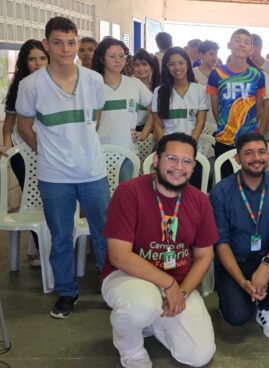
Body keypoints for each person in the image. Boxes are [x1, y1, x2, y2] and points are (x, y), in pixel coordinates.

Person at [15, 16, 110, 319]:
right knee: (60, 236)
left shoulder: (94, 80)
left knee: (105, 233)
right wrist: (47, 152)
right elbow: (24, 126)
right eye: (57, 42)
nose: (65, 49)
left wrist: (81, 145)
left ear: (78, 44)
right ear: (47, 44)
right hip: (54, 176)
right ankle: (67, 292)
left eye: (71, 42)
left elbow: (95, 118)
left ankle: (111, 288)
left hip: (92, 171)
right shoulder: (31, 85)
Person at [102, 133, 217, 367]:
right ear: (156, 159)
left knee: (198, 356)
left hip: (178, 282)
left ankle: (151, 320)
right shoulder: (129, 192)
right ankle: (131, 350)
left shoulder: (200, 201)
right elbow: (118, 255)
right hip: (128, 276)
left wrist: (182, 292)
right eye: (172, 159)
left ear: (194, 166)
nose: (178, 167)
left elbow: (205, 256)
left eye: (187, 161)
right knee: (141, 305)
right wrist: (168, 284)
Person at [210, 133, 269, 339]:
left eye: (261, 152)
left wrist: (266, 265)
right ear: (238, 159)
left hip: (268, 258)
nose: (256, 158)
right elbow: (221, 243)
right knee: (237, 317)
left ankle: (266, 308)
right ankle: (243, 295)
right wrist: (243, 282)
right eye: (248, 153)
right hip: (235, 262)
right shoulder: (221, 191)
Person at [1, 39, 49, 267]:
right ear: (24, 62)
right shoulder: (20, 86)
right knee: (32, 198)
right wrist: (5, 145)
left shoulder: (55, 83)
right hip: (25, 151)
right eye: (32, 59)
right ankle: (41, 249)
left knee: (52, 199)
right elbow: (9, 122)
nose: (38, 63)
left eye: (42, 58)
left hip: (51, 150)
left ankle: (55, 247)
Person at [207, 29, 266, 178]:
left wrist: (250, 126)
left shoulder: (257, 75)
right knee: (225, 183)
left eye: (247, 42)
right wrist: (226, 126)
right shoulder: (216, 74)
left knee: (250, 182)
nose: (242, 45)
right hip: (224, 139)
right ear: (229, 45)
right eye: (238, 40)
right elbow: (215, 108)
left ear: (251, 49)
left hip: (249, 139)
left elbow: (259, 108)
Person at [93, 38, 153, 182]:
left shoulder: (134, 83)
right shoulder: (94, 84)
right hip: (98, 151)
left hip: (128, 151)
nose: (118, 60)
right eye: (112, 56)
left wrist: (144, 132)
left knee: (125, 197)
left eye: (121, 56)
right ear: (102, 59)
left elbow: (154, 109)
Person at [152, 47, 208, 143]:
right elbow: (157, 125)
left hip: (191, 147)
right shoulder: (159, 91)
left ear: (187, 64)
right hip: (168, 148)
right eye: (172, 64)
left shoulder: (200, 90)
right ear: (167, 67)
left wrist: (191, 145)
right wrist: (165, 146)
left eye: (181, 63)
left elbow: (200, 122)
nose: (177, 67)